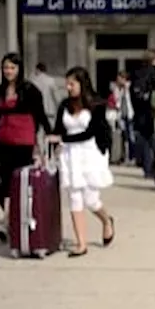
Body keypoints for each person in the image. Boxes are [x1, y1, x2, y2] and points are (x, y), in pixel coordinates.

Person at [47, 67, 115, 257]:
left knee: (91, 199)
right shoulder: (64, 105)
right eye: (67, 84)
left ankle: (106, 220)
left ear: (82, 84)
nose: (68, 88)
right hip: (70, 156)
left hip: (90, 153)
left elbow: (89, 133)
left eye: (72, 84)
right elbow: (59, 129)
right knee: (74, 197)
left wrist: (62, 140)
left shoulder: (96, 105)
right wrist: (54, 144)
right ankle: (81, 244)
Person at [0, 52, 51, 242]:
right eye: (6, 67)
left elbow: (40, 115)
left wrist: (48, 135)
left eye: (12, 67)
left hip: (23, 142)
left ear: (20, 69)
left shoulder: (30, 90)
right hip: (3, 142)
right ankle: (12, 218)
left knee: (19, 184)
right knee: (0, 183)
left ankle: (10, 222)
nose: (8, 71)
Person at [128, 49, 155, 179]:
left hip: (139, 112)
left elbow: (132, 94)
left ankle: (146, 168)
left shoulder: (136, 73)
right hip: (153, 112)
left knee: (144, 142)